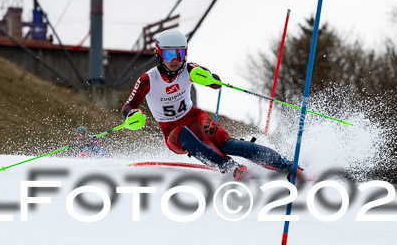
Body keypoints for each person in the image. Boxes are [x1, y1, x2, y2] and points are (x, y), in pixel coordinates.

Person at [121, 29, 304, 181]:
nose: (175, 59)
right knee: (183, 133)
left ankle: (286, 165)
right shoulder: (148, 79)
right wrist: (131, 115)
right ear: (160, 54)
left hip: (196, 117)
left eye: (180, 53)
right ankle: (230, 167)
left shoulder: (190, 68)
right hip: (171, 130)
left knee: (227, 144)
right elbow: (128, 106)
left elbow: (215, 84)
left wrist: (211, 78)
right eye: (170, 54)